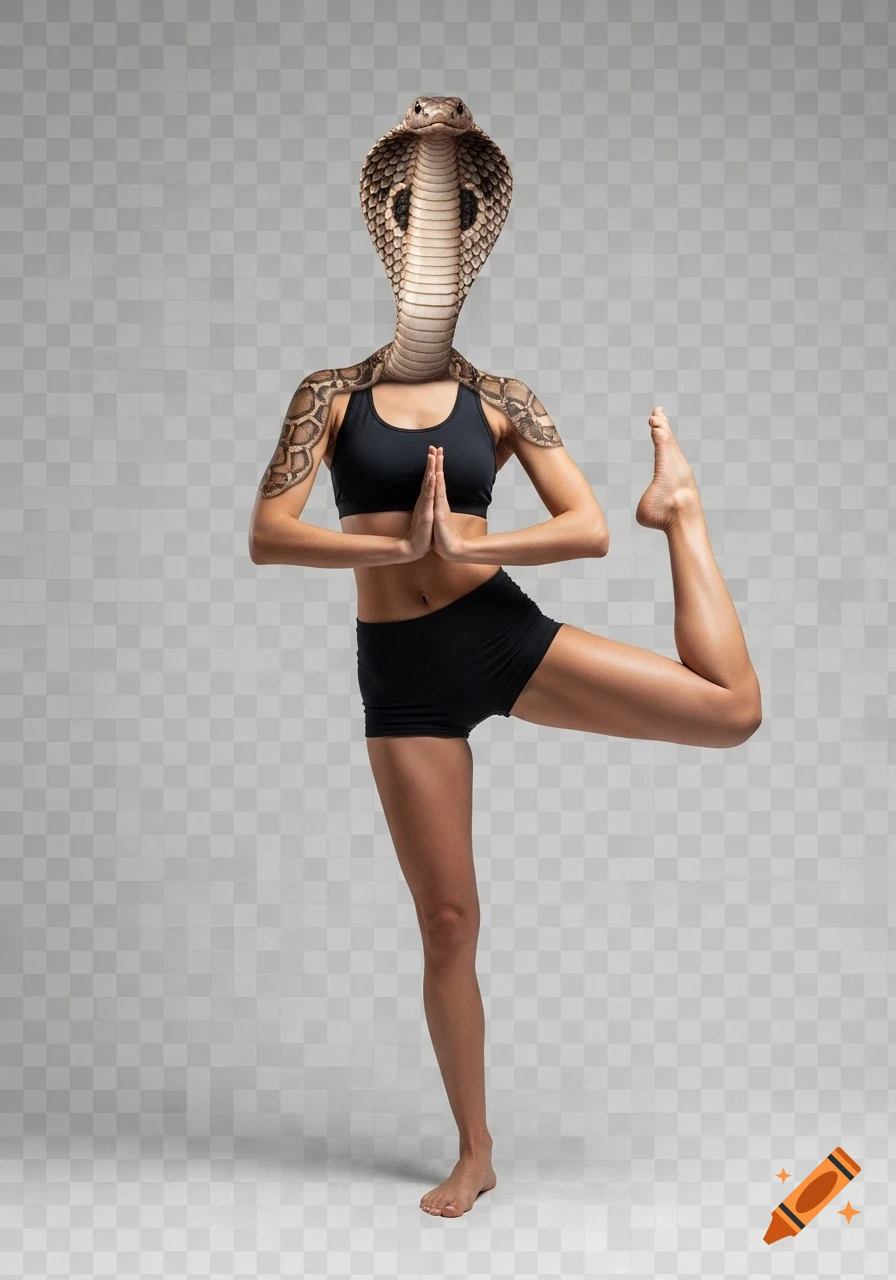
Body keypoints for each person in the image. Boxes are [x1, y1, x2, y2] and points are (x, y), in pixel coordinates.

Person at [247, 373, 762, 1217]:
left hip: (495, 632)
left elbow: (588, 529)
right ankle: (475, 1152)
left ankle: (680, 511)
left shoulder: (502, 400)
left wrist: (466, 548)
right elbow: (269, 536)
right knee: (447, 922)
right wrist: (398, 550)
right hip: (402, 677)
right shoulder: (331, 396)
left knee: (730, 711)